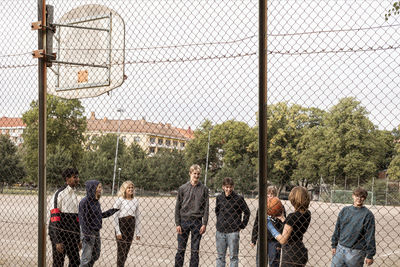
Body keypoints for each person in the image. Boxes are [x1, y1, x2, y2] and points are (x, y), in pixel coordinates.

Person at [174, 164, 209, 267]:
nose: (196, 176)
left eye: (198, 174)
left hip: (197, 222)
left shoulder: (204, 189)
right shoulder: (182, 188)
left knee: (195, 250)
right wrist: (177, 223)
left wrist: (204, 223)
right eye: (194, 173)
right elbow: (177, 207)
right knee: (181, 249)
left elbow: (206, 208)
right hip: (183, 221)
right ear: (190, 174)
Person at [331, 187, 376, 267]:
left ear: (365, 198)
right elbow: (337, 228)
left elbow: (370, 235)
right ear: (353, 196)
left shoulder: (368, 215)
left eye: (362, 197)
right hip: (340, 248)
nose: (359, 198)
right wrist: (334, 245)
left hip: (356, 252)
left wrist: (370, 254)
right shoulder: (345, 210)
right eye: (357, 196)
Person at [267, 186, 311, 267]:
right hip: (300, 249)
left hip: (291, 254)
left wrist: (269, 225)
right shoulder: (307, 213)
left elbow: (283, 240)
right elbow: (294, 228)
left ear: (294, 200)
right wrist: (283, 219)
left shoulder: (292, 217)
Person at [79, 180, 119, 267]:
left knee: (96, 254)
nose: (101, 189)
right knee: (86, 258)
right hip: (88, 232)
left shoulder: (96, 201)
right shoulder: (84, 202)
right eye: (99, 187)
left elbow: (99, 216)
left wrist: (113, 210)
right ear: (92, 188)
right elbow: (83, 220)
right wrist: (87, 235)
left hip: (96, 232)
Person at [48, 168, 81, 267]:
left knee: (75, 261)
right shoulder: (59, 194)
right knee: (58, 263)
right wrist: (57, 240)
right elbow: (54, 219)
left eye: (78, 177)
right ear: (67, 179)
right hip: (60, 234)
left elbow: (77, 220)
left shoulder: (75, 195)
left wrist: (78, 238)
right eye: (75, 177)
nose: (78, 179)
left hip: (72, 236)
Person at [215, 177, 250, 267]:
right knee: (220, 257)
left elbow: (247, 212)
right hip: (220, 231)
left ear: (233, 187)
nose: (228, 189)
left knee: (233, 257)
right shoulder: (219, 198)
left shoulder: (238, 198)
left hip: (233, 232)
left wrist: (242, 225)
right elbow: (217, 211)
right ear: (223, 187)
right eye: (226, 187)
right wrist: (220, 221)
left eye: (230, 187)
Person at [251, 186, 286, 267]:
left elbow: (282, 226)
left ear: (275, 196)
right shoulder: (262, 207)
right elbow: (257, 223)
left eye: (271, 195)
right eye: (267, 195)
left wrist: (279, 243)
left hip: (274, 241)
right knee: (260, 262)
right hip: (262, 239)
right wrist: (254, 238)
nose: (269, 197)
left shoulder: (280, 207)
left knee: (273, 263)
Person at [113, 181, 141, 267]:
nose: (131, 189)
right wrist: (118, 231)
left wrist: (138, 232)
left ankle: (121, 265)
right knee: (122, 249)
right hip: (122, 224)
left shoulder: (135, 201)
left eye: (132, 188)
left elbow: (137, 217)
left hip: (131, 224)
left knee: (127, 249)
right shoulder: (120, 200)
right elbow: (115, 215)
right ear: (124, 189)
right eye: (129, 188)